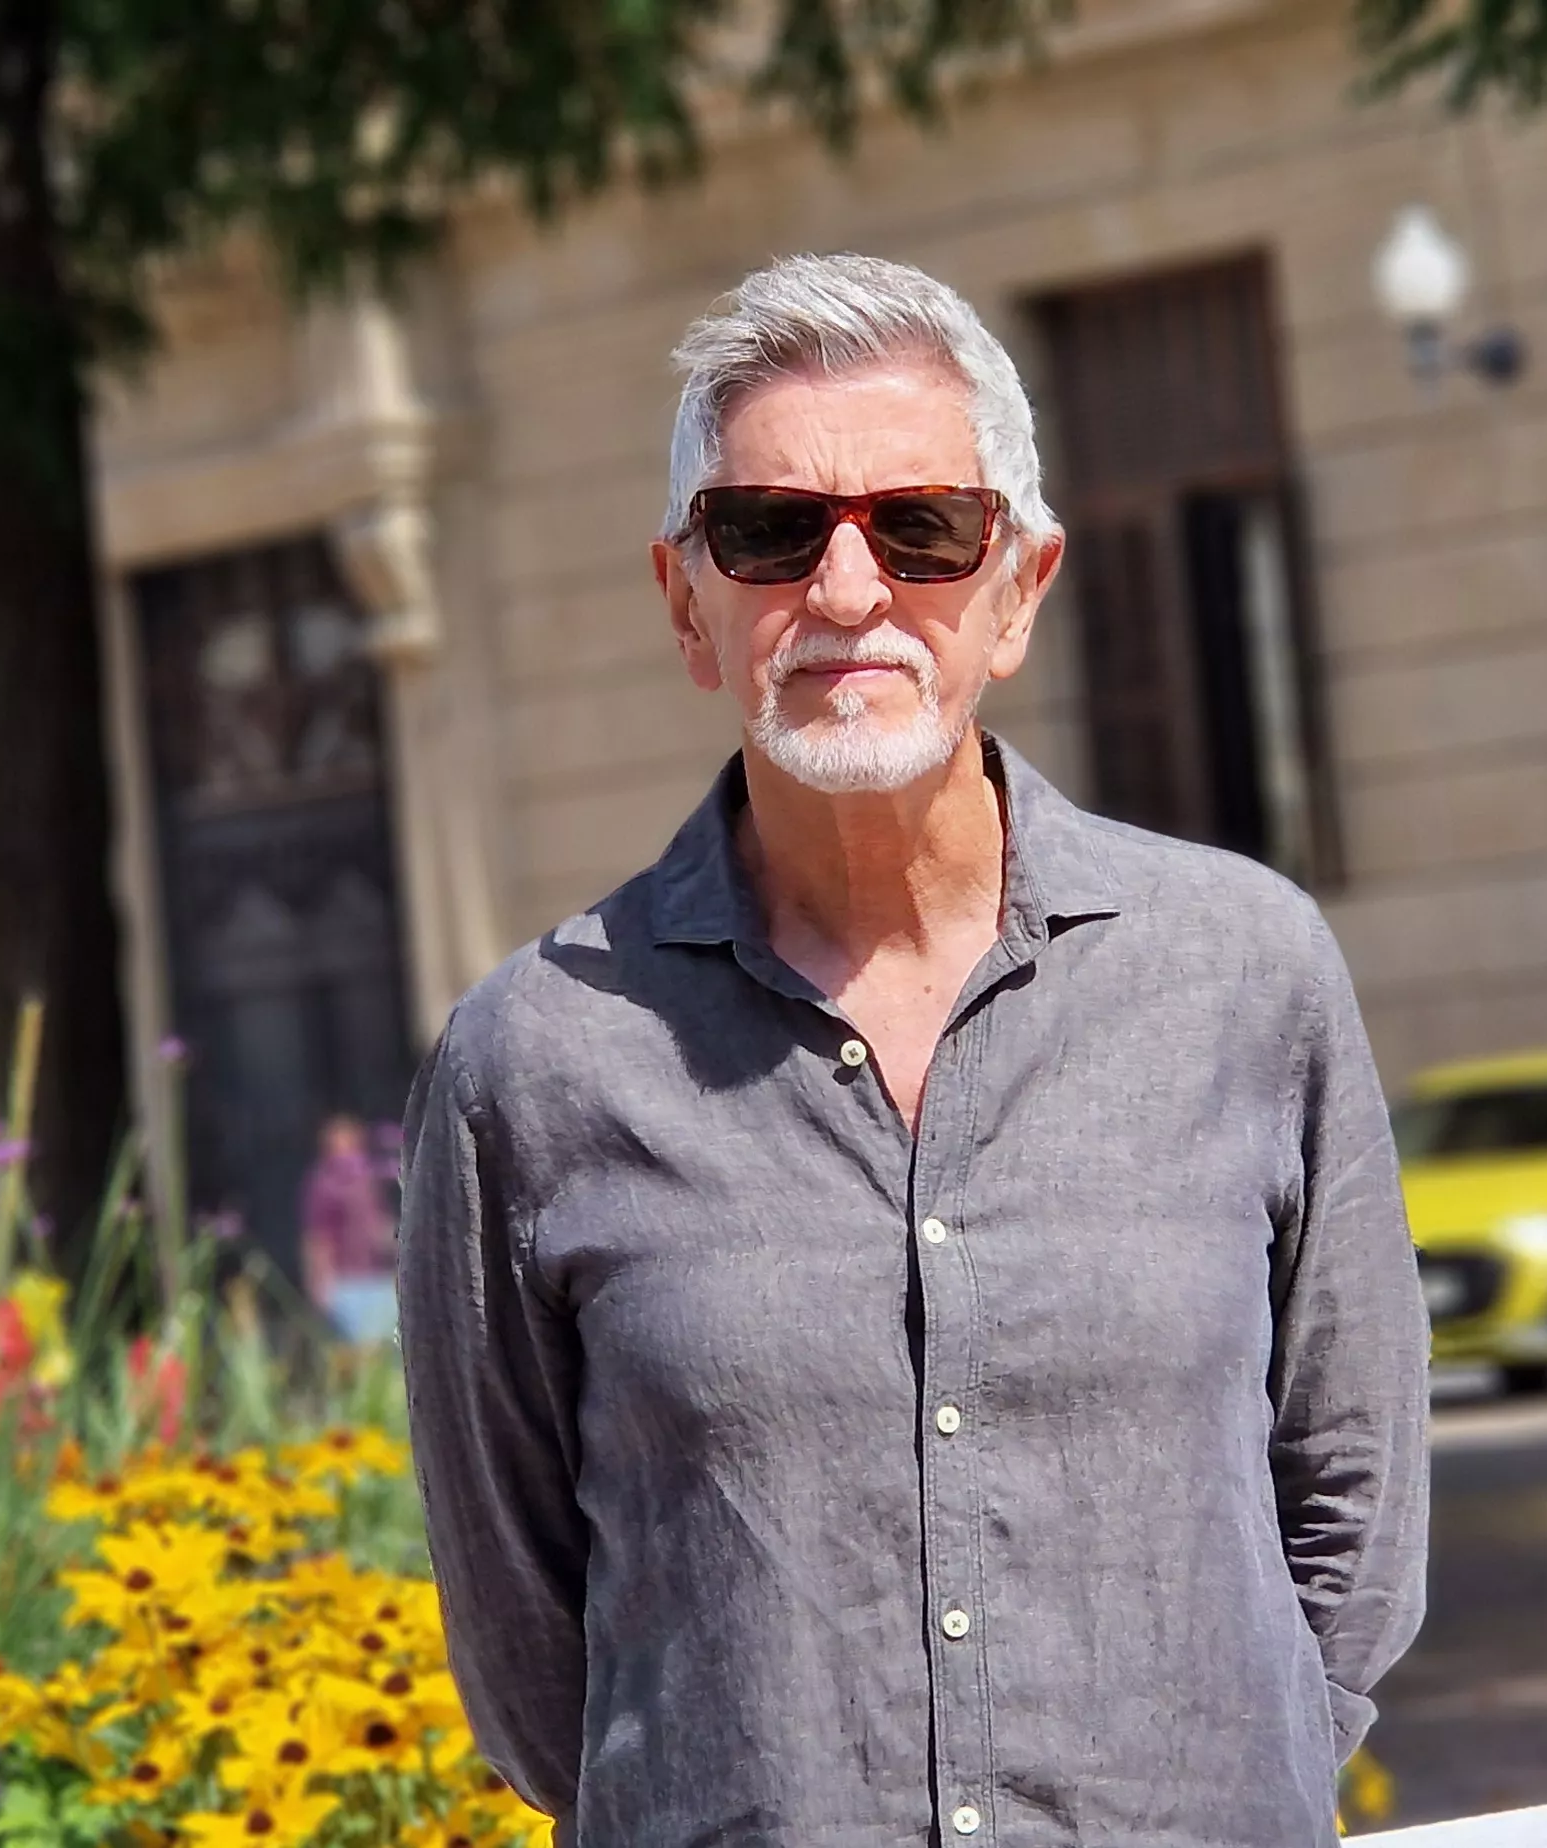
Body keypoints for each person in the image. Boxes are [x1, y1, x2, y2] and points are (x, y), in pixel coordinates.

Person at [397, 252, 1429, 1847]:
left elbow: (1353, 1520)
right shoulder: (533, 1059)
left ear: (1017, 587)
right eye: (771, 532)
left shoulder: (1245, 972)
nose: (852, 592)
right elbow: (534, 1661)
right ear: (688, 602)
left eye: (924, 527)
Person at [300, 1113, 401, 1344]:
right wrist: (319, 1284)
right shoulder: (323, 1185)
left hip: (378, 1280)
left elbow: (380, 1226)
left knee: (392, 1351)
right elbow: (316, 1237)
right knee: (364, 1352)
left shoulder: (369, 1180)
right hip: (346, 1285)